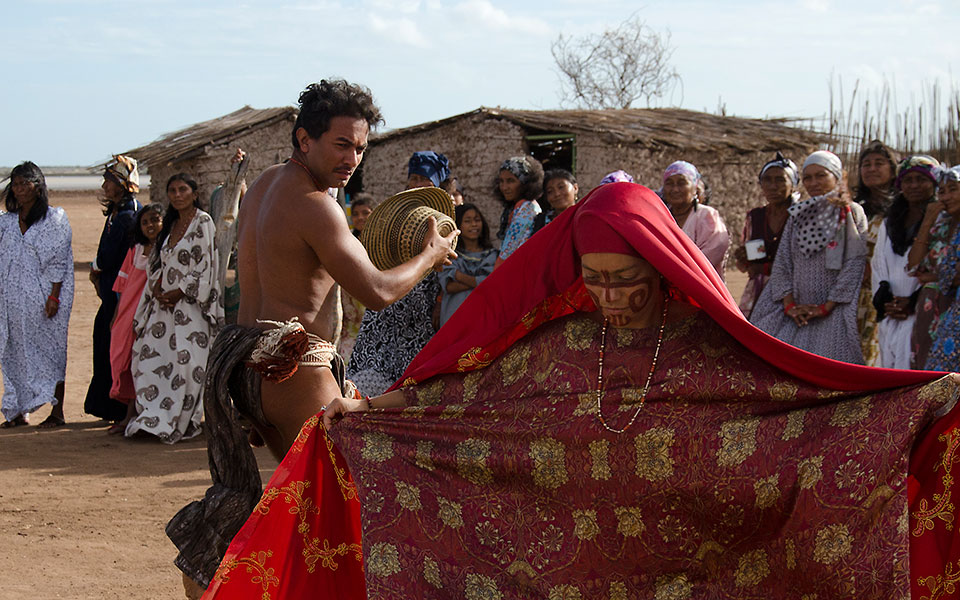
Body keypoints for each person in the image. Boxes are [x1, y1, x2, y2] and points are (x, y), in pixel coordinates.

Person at [205, 182, 960, 599]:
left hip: (689, 555)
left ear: (661, 272)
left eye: (627, 282)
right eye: (595, 282)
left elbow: (796, 403)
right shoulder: (559, 339)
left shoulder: (706, 343)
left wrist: (921, 400)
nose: (612, 298)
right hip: (571, 564)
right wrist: (369, 411)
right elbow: (467, 396)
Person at [166, 80, 457, 597]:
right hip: (296, 372)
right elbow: (379, 289)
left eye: (361, 147)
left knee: (295, 505)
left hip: (250, 368)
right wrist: (431, 254)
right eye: (341, 144)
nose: (353, 158)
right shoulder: (317, 205)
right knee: (342, 506)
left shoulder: (263, 186)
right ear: (305, 139)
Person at [124, 174, 222, 443]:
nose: (177, 195)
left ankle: (182, 421)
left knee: (188, 365)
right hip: (162, 308)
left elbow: (207, 264)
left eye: (183, 189)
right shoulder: (169, 224)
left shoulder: (203, 222)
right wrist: (157, 289)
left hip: (190, 309)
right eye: (172, 190)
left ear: (194, 192)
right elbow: (157, 262)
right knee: (149, 359)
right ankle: (152, 418)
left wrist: (180, 292)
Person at [347, 151, 451, 396]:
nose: (415, 184)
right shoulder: (400, 211)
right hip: (394, 289)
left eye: (422, 179)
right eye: (412, 178)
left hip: (423, 298)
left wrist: (439, 301)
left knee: (414, 363)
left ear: (437, 183)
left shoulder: (446, 220)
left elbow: (447, 265)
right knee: (373, 356)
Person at [750, 150, 868, 363]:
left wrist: (826, 307)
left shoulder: (851, 212)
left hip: (834, 309)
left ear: (836, 176)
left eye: (821, 175)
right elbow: (784, 261)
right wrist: (789, 305)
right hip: (795, 309)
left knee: (831, 364)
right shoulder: (799, 214)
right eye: (808, 177)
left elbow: (854, 263)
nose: (813, 182)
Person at [0, 162, 74, 428]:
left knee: (51, 352)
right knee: (14, 353)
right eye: (16, 184)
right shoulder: (6, 222)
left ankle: (57, 412)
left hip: (44, 300)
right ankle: (18, 411)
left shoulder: (54, 219)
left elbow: (59, 261)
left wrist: (54, 297)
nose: (19, 189)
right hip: (11, 301)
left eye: (25, 184)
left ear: (38, 186)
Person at [85, 156, 140, 423]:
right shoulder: (119, 213)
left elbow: (110, 256)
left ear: (121, 184)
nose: (105, 186)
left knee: (112, 344)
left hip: (120, 292)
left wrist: (96, 268)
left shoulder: (127, 216)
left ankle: (116, 408)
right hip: (112, 290)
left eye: (109, 181)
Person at [871, 155, 938, 369]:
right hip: (893, 311)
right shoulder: (890, 223)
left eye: (922, 179)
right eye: (908, 180)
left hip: (926, 309)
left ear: (934, 183)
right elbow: (878, 264)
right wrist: (885, 298)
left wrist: (915, 300)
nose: (914, 185)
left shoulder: (942, 221)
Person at [106, 203, 163, 434]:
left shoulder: (167, 249)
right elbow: (123, 285)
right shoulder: (136, 249)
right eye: (145, 222)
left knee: (143, 361)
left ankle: (134, 414)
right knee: (124, 357)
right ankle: (130, 412)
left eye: (155, 220)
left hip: (153, 312)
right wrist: (117, 314)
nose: (150, 225)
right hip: (129, 312)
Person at [735, 152, 800, 318]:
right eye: (767, 180)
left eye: (780, 180)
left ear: (793, 184)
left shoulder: (800, 216)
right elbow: (751, 261)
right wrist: (744, 257)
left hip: (793, 291)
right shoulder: (755, 217)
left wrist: (764, 268)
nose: (773, 186)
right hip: (758, 290)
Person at [853, 140, 899, 366]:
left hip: (886, 292)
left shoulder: (901, 208)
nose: (871, 169)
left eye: (879, 163)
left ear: (892, 169)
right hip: (853, 293)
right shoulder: (853, 207)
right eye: (866, 164)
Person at [660, 160, 729, 278]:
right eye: (669, 183)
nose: (675, 189)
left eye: (682, 183)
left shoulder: (706, 216)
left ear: (695, 188)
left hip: (699, 285)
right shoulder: (660, 217)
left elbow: (713, 252)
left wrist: (677, 272)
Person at [438, 203, 497, 326]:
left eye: (477, 220)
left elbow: (494, 285)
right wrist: (481, 282)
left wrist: (458, 276)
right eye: (468, 221)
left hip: (485, 319)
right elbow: (449, 287)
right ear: (458, 225)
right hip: (455, 318)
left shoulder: (494, 256)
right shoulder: (450, 256)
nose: (474, 224)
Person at [926, 165, 960, 371]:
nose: (946, 197)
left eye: (953, 189)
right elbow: (947, 278)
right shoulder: (951, 228)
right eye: (942, 191)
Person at [494, 155, 544, 267]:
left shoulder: (527, 209)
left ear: (525, 183)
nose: (504, 187)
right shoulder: (515, 208)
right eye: (501, 181)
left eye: (510, 181)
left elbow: (508, 253)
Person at [532, 169, 578, 234]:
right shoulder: (540, 221)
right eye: (550, 191)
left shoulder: (584, 216)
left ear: (575, 188)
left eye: (561, 187)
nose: (557, 194)